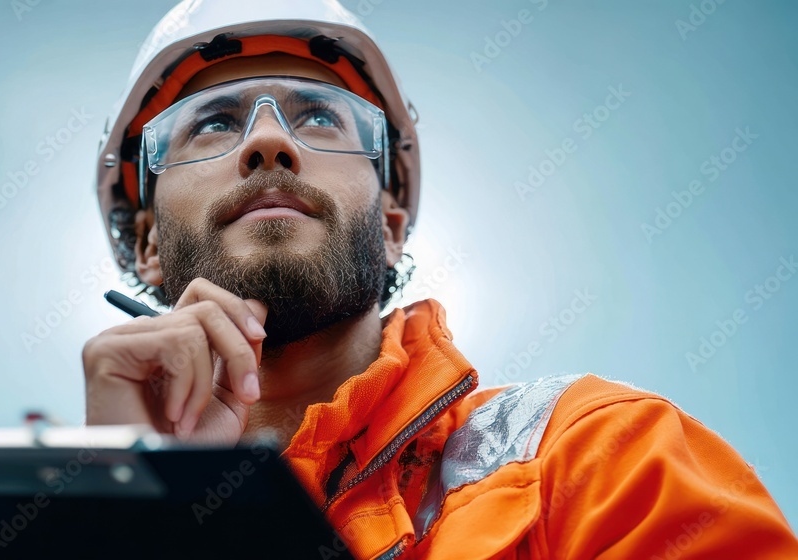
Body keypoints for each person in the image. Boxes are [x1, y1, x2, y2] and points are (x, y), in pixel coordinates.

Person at [82, 1, 798, 557]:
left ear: (390, 228)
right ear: (147, 244)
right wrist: (139, 517)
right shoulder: (37, 525)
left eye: (323, 117)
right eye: (212, 123)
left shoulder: (601, 458)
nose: (269, 141)